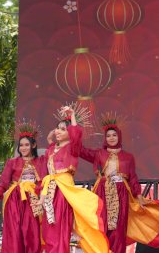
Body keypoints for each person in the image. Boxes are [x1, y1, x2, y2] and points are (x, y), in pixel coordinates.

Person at [79, 112, 159, 252]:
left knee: (119, 229)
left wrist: (139, 197)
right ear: (105, 138)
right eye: (109, 136)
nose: (111, 138)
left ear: (119, 136)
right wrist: (73, 124)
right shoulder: (99, 154)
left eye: (114, 135)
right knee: (102, 226)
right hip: (102, 192)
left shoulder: (128, 157)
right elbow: (78, 150)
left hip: (122, 193)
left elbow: (133, 178)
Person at [37, 105, 109, 253]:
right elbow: (45, 172)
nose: (58, 131)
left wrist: (73, 115)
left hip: (64, 191)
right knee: (49, 228)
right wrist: (42, 195)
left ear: (70, 133)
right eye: (58, 128)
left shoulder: (73, 148)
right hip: (50, 191)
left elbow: (76, 136)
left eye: (63, 129)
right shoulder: (51, 149)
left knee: (60, 228)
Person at [0, 120, 45, 253]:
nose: (23, 148)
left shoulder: (40, 161)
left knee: (32, 233)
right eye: (21, 145)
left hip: (33, 200)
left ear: (34, 145)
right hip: (14, 200)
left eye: (26, 145)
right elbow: (3, 183)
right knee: (14, 232)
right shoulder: (12, 162)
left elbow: (44, 182)